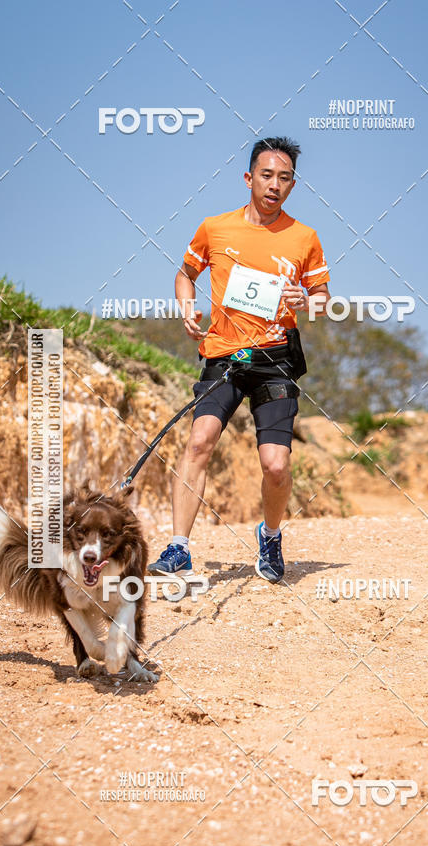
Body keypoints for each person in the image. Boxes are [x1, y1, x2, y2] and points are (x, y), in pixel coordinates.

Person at [148, 136, 331, 584]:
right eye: (266, 175)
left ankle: (270, 534)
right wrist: (186, 307)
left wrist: (305, 298)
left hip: (276, 360)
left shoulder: (304, 237)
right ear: (249, 178)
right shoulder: (215, 228)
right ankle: (178, 548)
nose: (274, 185)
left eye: (284, 178)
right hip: (225, 356)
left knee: (276, 464)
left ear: (292, 185)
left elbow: (325, 300)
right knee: (199, 441)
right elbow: (185, 273)